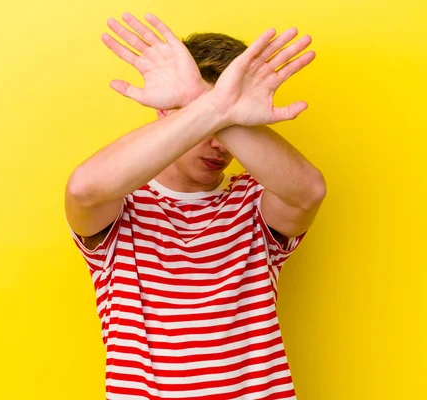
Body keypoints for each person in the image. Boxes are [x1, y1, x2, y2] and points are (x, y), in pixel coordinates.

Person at [64, 11, 326, 400]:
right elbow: (84, 190)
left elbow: (309, 191)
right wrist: (206, 108)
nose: (220, 143)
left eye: (233, 126)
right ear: (165, 111)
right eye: (205, 123)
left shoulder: (254, 200)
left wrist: (206, 109)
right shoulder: (123, 204)